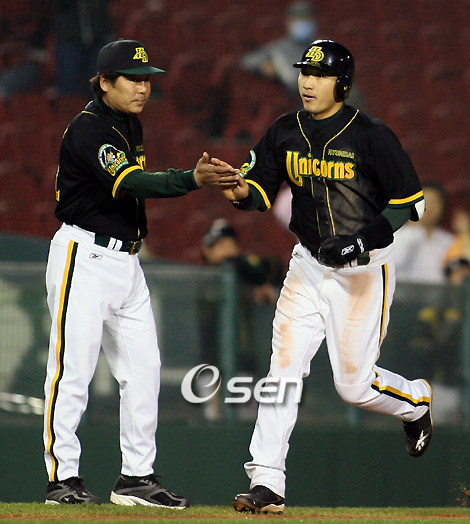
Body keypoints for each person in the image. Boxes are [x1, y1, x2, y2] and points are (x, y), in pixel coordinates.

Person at [219, 39, 433, 514]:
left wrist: (361, 240)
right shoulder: (285, 129)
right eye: (305, 72)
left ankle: (415, 401)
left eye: (320, 75)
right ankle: (266, 481)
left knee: (353, 388)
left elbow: (408, 203)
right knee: (282, 372)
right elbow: (258, 191)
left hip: (362, 272)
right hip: (307, 266)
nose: (308, 82)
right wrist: (237, 189)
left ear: (343, 84)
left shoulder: (372, 135)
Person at [43, 38, 240, 506]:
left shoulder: (129, 123)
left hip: (128, 262)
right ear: (104, 82)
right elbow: (130, 182)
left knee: (145, 371)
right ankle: (62, 480)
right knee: (72, 371)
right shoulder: (90, 128)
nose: (143, 88)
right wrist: (191, 179)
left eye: (147, 79)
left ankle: (135, 478)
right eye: (132, 79)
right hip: (84, 256)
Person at [240, 1, 364, 109]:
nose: (302, 23)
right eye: (298, 19)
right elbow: (247, 61)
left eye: (306, 18)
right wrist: (265, 66)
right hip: (296, 95)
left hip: (323, 91)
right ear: (288, 22)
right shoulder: (279, 48)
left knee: (350, 94)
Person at [393, 181, 454, 284]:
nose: (428, 207)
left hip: (439, 293)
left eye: (434, 202)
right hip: (403, 293)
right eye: (424, 201)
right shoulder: (396, 235)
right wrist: (413, 230)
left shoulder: (449, 240)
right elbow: (395, 263)